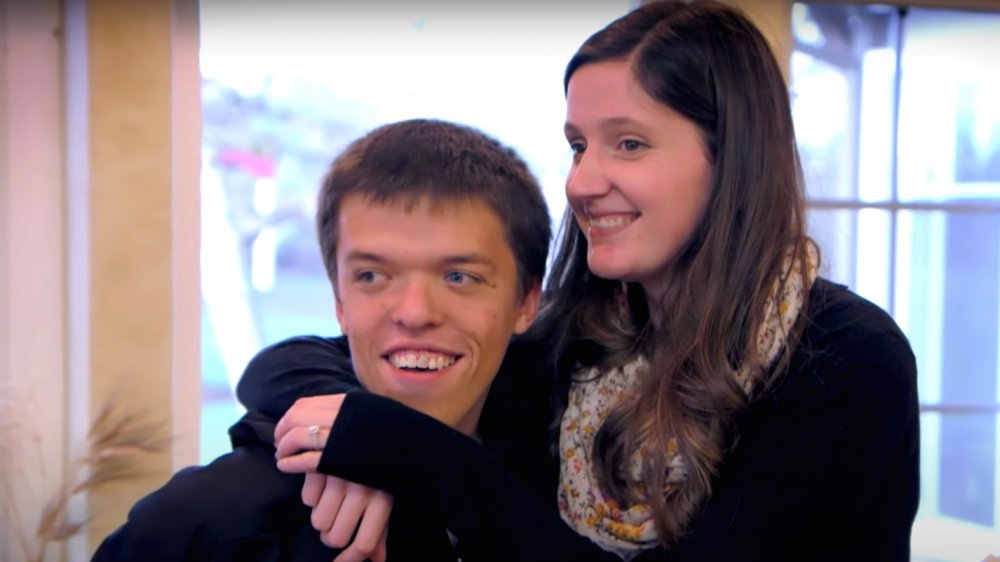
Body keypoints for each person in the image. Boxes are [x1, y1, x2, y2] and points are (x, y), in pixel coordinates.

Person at [250, 1, 920, 561]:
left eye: (627, 143)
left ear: (731, 158)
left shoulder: (845, 362)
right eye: (578, 145)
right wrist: (357, 436)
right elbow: (288, 366)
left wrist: (422, 456)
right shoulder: (580, 341)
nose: (582, 182)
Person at [90, 118, 552, 562]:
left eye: (459, 276)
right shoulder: (209, 523)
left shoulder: (576, 481)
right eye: (372, 275)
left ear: (526, 302)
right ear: (340, 301)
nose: (414, 312)